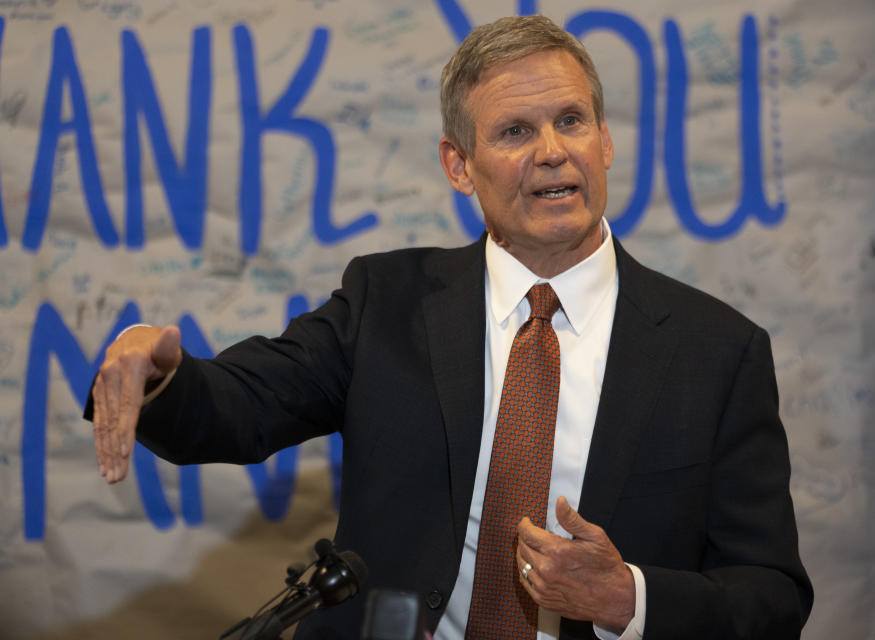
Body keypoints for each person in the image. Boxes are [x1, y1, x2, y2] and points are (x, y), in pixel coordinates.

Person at [86, 15, 813, 640]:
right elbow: (240, 406)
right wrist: (162, 376)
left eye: (571, 120)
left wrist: (631, 597)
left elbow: (772, 595)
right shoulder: (387, 302)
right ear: (459, 167)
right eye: (514, 131)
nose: (553, 150)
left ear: (605, 142)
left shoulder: (718, 352)